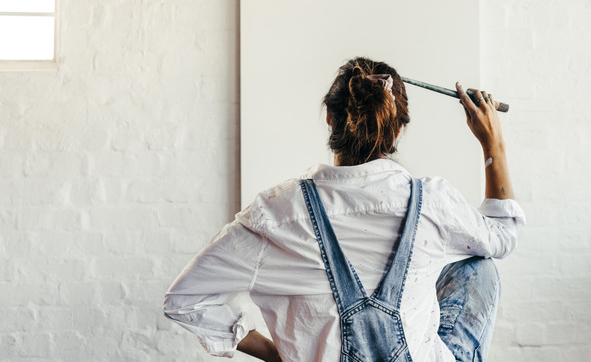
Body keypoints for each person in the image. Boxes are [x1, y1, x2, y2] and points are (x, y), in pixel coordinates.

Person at [163, 57, 525, 361]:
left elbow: (185, 299)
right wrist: (493, 141)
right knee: (479, 266)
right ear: (397, 130)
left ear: (330, 119)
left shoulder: (276, 213)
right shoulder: (431, 201)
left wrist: (279, 356)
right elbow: (502, 235)